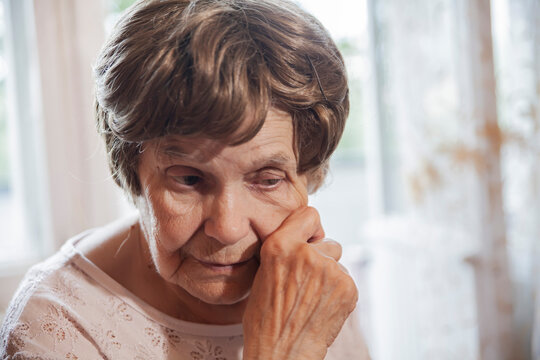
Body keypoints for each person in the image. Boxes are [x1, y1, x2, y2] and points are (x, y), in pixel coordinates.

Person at [0, 0, 370, 358]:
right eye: (190, 179)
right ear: (130, 170)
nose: (226, 228)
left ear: (311, 175)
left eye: (267, 180)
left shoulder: (314, 282)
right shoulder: (55, 327)